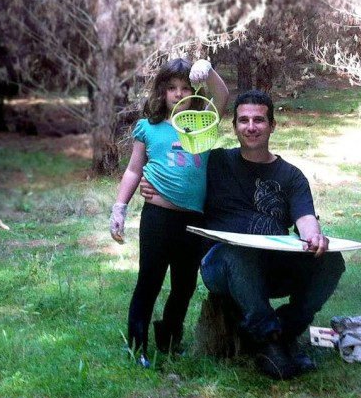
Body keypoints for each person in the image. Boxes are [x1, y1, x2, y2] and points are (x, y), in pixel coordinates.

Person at [144, 89, 345, 380]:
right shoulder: (215, 163)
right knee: (239, 253)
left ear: (272, 125)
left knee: (331, 261)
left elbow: (304, 217)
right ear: (235, 126)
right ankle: (267, 339)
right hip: (221, 266)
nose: (251, 127)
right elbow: (178, 176)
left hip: (274, 266)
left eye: (259, 120)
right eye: (244, 120)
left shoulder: (291, 176)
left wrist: (315, 236)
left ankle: (284, 331)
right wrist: (151, 188)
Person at [109, 58, 229, 367]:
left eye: (186, 88)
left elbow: (223, 96)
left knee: (185, 285)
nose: (178, 94)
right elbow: (134, 170)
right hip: (158, 218)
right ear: (161, 91)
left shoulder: (202, 121)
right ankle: (137, 346)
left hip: (194, 220)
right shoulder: (149, 127)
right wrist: (119, 208)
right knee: (149, 281)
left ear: (194, 92)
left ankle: (170, 339)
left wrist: (209, 72)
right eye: (172, 88)